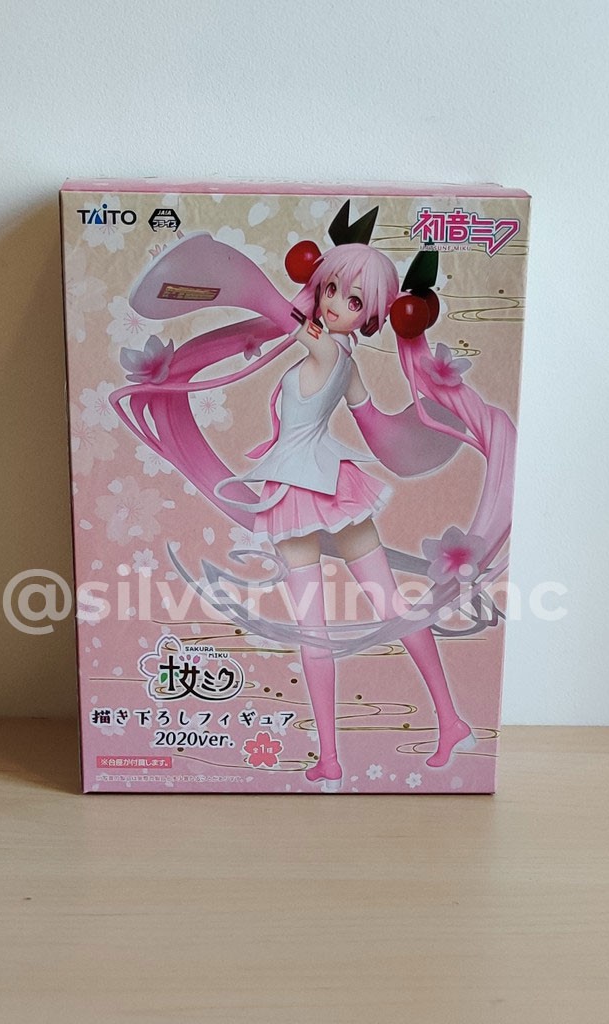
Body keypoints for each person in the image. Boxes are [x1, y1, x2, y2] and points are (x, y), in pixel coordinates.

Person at [110, 203, 516, 791]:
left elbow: (283, 315)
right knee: (355, 615)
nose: (333, 304)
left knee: (337, 620)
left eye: (354, 300)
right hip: (313, 490)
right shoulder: (343, 362)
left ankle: (384, 742)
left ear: (371, 316)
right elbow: (371, 420)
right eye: (330, 288)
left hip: (309, 494)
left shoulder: (327, 348)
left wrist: (234, 294)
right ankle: (395, 737)